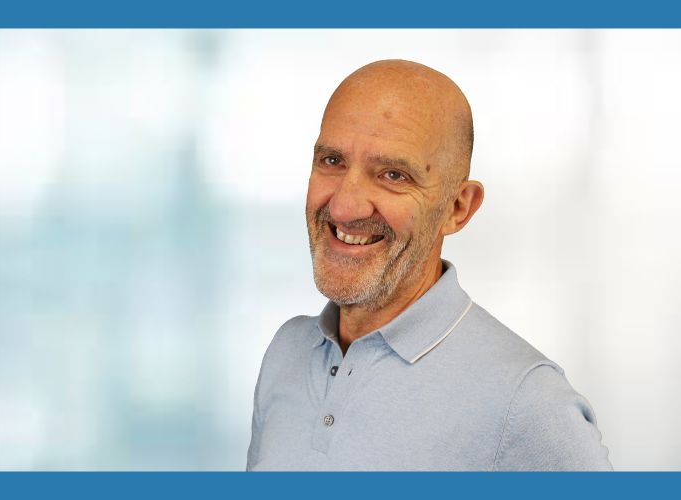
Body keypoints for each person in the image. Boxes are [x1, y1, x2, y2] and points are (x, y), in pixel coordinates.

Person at [246, 60, 612, 471]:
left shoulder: (527, 402)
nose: (345, 206)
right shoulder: (287, 352)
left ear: (458, 208)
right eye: (332, 161)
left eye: (393, 175)